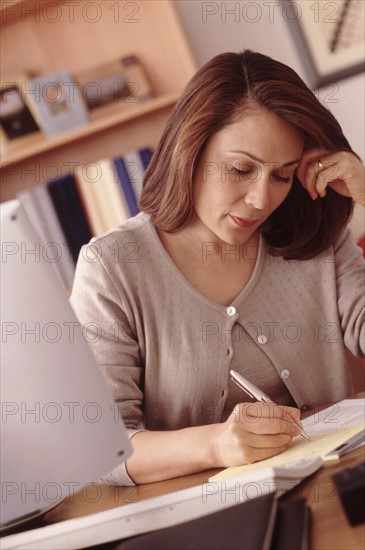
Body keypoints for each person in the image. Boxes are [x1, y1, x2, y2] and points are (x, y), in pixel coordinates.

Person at [70, 50, 365, 486]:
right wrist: (215, 444)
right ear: (192, 149)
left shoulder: (314, 234)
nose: (261, 200)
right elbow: (102, 450)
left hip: (337, 490)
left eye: (282, 176)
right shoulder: (113, 268)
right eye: (241, 169)